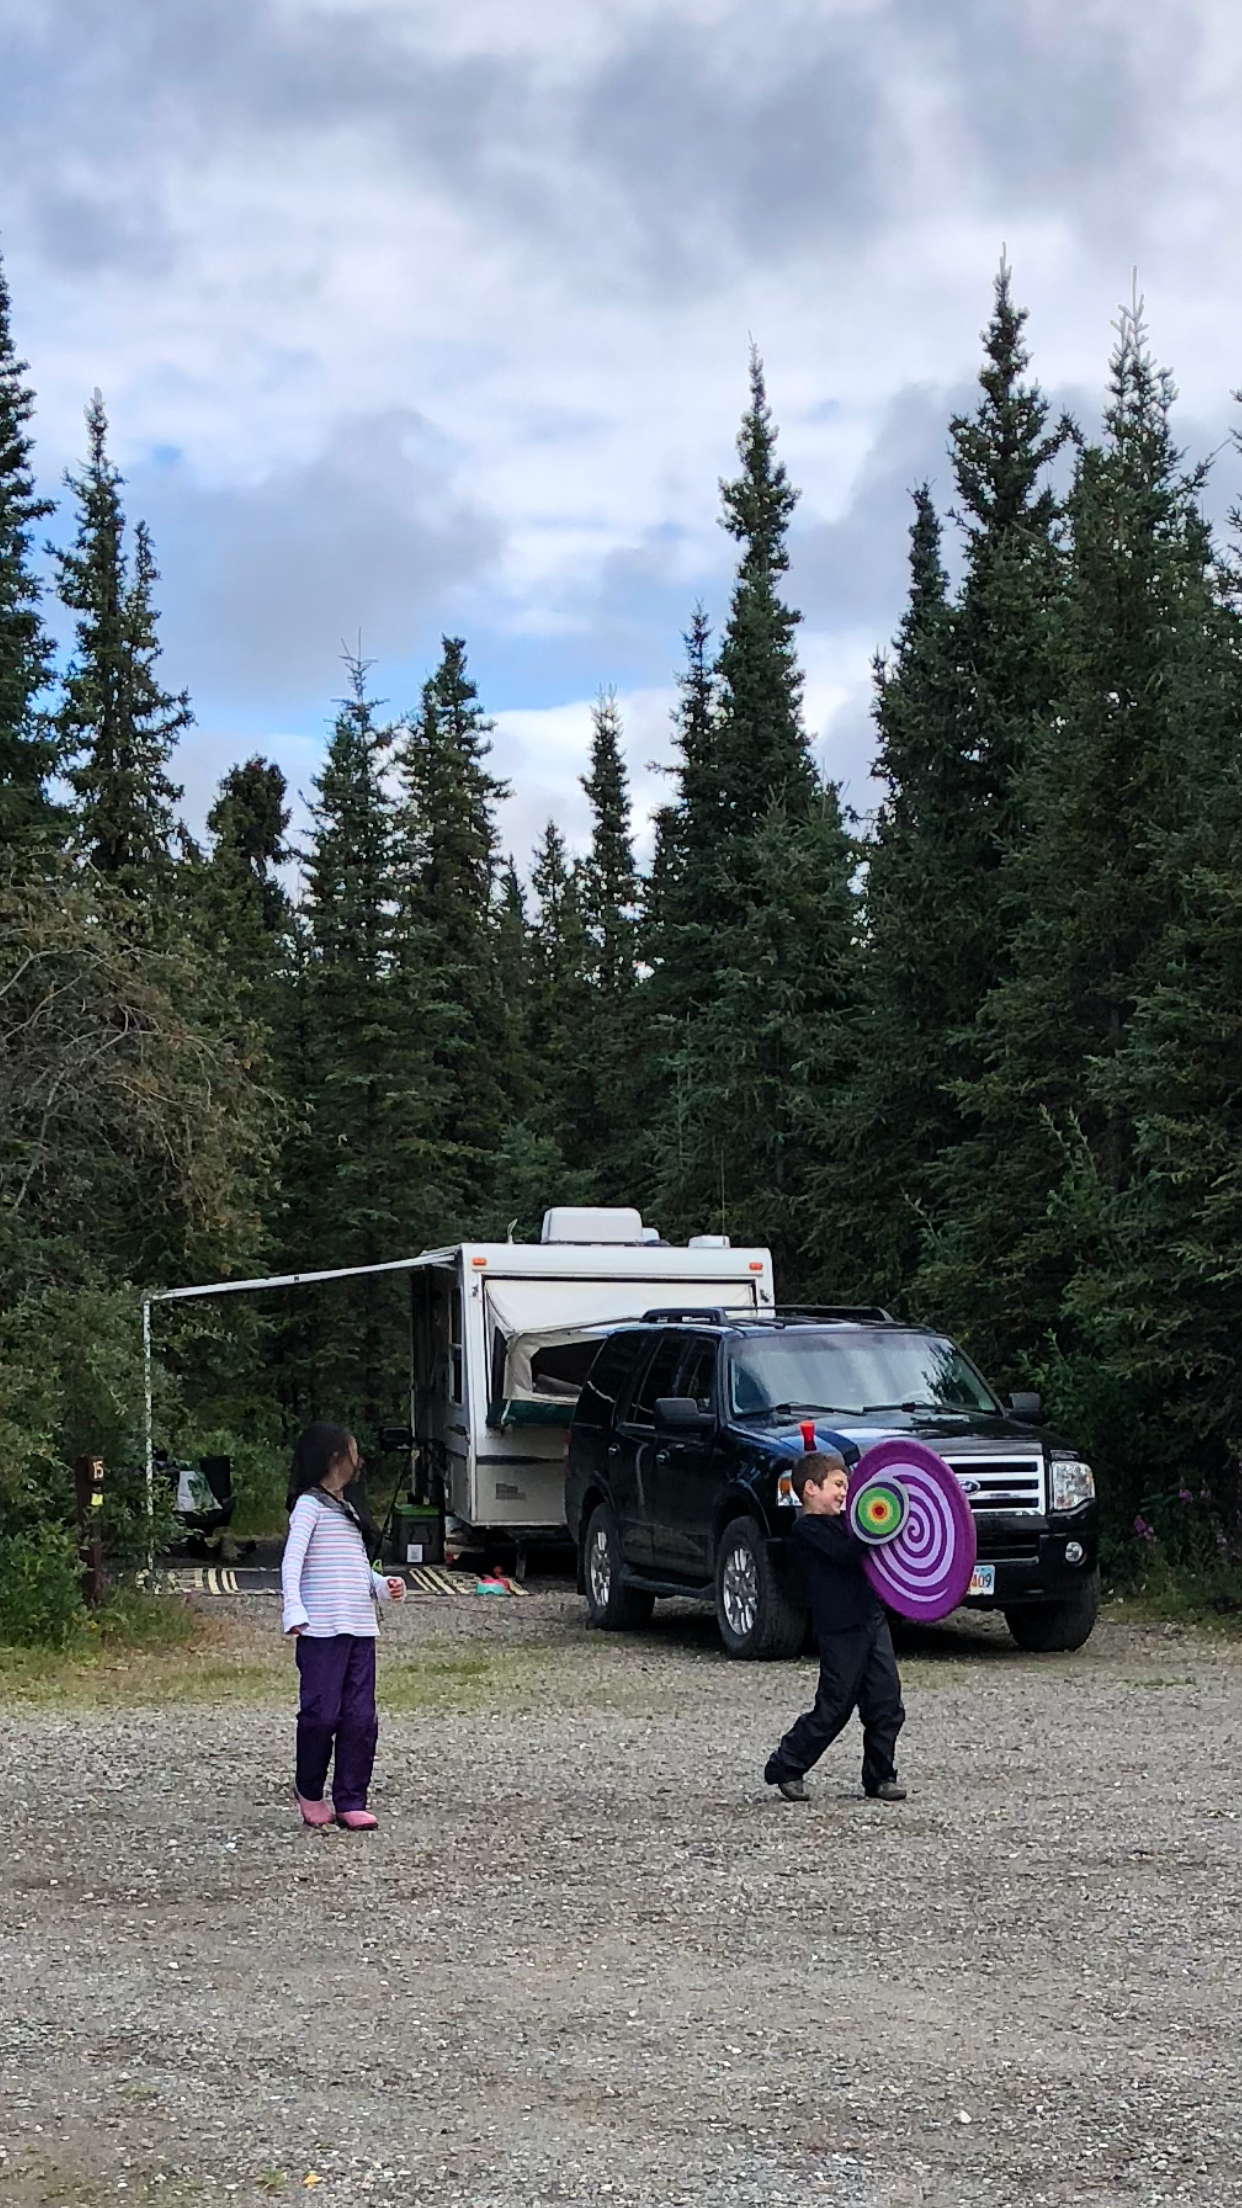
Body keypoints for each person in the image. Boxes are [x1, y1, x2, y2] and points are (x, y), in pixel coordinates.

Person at [281, 1421, 406, 1831]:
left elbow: (357, 1569)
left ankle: (351, 1797)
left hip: (360, 1629)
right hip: (320, 1632)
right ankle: (311, 1792)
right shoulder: (308, 1508)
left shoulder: (348, 1510)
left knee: (360, 1717)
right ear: (335, 1458)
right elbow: (291, 1564)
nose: (360, 1461)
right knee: (321, 1714)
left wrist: (382, 1587)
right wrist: (293, 1609)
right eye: (354, 1452)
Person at [764, 1449, 906, 1804]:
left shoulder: (848, 1521)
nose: (845, 1492)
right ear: (811, 1489)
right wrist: (876, 1524)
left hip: (871, 1619)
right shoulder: (808, 1528)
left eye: (847, 1485)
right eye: (838, 1485)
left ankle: (880, 1777)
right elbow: (845, 1553)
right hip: (839, 1629)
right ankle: (787, 1764)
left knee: (886, 1702)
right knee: (834, 1706)